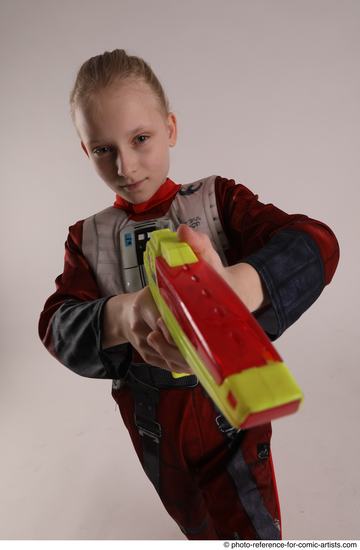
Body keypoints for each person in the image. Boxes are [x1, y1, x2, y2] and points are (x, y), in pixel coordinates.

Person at [38, 48, 340, 540]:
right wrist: (125, 312)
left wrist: (238, 288)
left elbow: (317, 242)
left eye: (141, 139)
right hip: (155, 427)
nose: (127, 165)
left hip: (231, 418)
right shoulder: (87, 238)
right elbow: (55, 326)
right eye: (103, 149)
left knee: (251, 528)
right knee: (194, 521)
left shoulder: (217, 201)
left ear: (171, 129)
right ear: (85, 150)